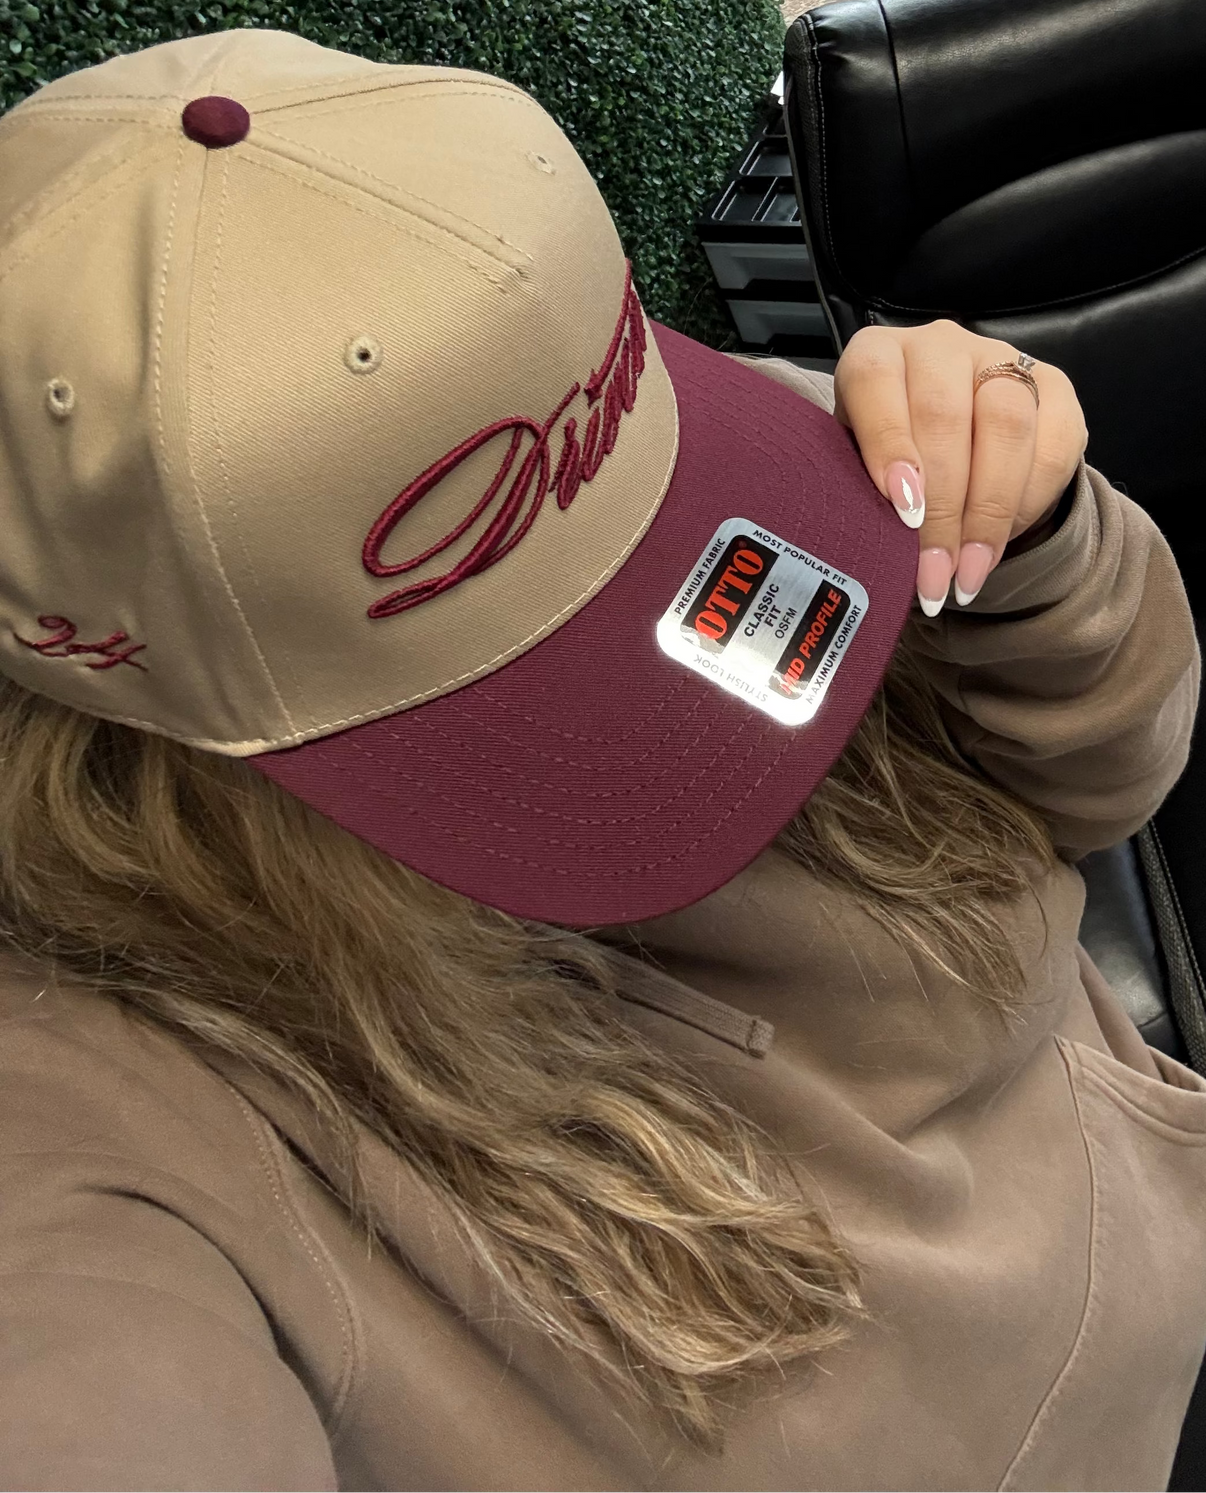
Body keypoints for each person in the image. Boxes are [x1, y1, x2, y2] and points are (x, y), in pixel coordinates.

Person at [0, 26, 1202, 1493]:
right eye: (509, 645)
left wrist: (1037, 539)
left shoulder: (744, 451)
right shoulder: (107, 1126)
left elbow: (1101, 782)